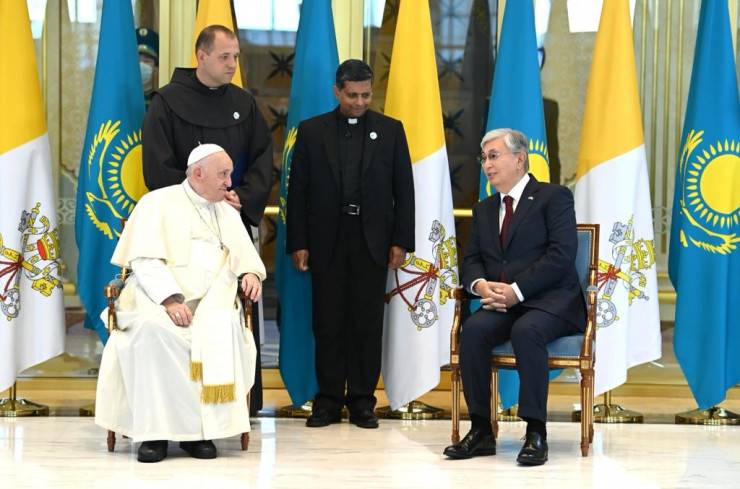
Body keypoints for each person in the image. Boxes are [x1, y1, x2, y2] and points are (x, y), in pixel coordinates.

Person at [94, 144, 266, 463]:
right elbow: (143, 260)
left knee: (217, 329)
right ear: (198, 173)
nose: (229, 183)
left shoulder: (227, 211)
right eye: (223, 174)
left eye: (229, 174)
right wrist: (170, 300)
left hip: (215, 300)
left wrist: (252, 274)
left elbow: (246, 257)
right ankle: (154, 435)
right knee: (151, 330)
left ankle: (198, 435)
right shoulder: (156, 202)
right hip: (156, 297)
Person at [141, 24, 273, 413]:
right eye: (224, 57)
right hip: (180, 227)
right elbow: (156, 163)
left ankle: (232, 408)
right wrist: (196, 197)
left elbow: (263, 158)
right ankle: (173, 411)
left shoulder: (244, 104)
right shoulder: (167, 102)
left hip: (229, 217)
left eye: (236, 57)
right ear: (201, 56)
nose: (233, 64)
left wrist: (240, 196)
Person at [285, 59, 415, 429]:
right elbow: (298, 192)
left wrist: (401, 240)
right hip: (326, 238)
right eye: (352, 95)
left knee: (366, 324)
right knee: (327, 323)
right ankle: (327, 401)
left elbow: (404, 190)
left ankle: (362, 402)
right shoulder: (312, 131)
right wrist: (298, 242)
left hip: (372, 240)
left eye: (366, 95)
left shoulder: (390, 130)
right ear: (337, 91)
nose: (360, 102)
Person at [443, 128, 585, 465]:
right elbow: (472, 259)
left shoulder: (554, 197)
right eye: (484, 158)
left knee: (527, 331)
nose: (487, 165)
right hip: (501, 302)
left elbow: (561, 256)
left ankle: (536, 432)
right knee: (473, 331)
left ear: (520, 159)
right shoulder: (483, 209)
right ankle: (481, 430)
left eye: (494, 156)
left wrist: (516, 291)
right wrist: (480, 286)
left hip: (549, 301)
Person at [136, 27, 159, 109]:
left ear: (156, 69)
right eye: (137, 60)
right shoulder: (122, 100)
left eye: (147, 61)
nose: (141, 64)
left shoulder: (159, 101)